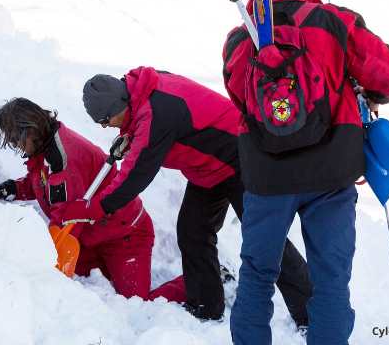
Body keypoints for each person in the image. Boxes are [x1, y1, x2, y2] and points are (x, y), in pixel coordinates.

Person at [221, 0, 389, 345]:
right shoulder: (330, 21)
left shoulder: (238, 41)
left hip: (267, 176)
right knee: (331, 281)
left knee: (256, 275)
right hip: (331, 171)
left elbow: (241, 98)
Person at [64, 68, 314, 324]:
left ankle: (312, 316)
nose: (104, 125)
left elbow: (132, 180)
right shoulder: (140, 91)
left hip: (243, 159)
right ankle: (206, 306)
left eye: (105, 118)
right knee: (193, 231)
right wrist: (131, 134)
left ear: (120, 103)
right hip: (210, 167)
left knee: (267, 241)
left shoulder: (157, 113)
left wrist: (89, 210)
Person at [0, 97, 186, 302]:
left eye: (15, 140)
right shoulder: (46, 145)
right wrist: (8, 189)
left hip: (124, 237)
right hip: (91, 239)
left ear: (31, 130)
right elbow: (44, 182)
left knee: (138, 303)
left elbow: (66, 218)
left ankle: (198, 282)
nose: (16, 147)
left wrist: (49, 277)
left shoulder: (65, 157)